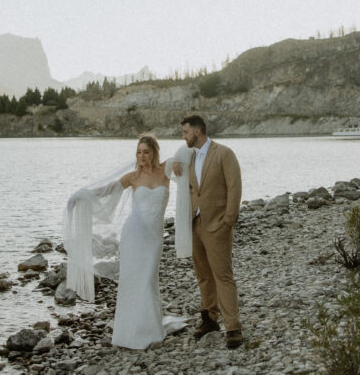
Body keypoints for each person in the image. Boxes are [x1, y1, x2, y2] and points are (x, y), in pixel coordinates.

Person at [64, 135, 192, 350]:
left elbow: (189, 150)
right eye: (139, 152)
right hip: (133, 235)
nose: (142, 156)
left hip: (154, 238)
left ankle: (151, 331)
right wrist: (82, 196)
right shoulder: (133, 177)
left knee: (148, 280)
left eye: (146, 152)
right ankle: (128, 334)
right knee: (133, 282)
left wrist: (179, 161)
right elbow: (107, 191)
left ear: (154, 153)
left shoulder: (166, 170)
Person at [173, 115, 244, 349]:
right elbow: (171, 174)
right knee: (203, 275)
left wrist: (229, 220)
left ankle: (233, 327)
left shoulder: (224, 153)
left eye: (185, 132)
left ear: (198, 131)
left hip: (218, 224)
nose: (183, 136)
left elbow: (235, 186)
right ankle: (209, 319)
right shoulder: (188, 156)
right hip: (195, 224)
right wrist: (175, 167)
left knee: (223, 275)